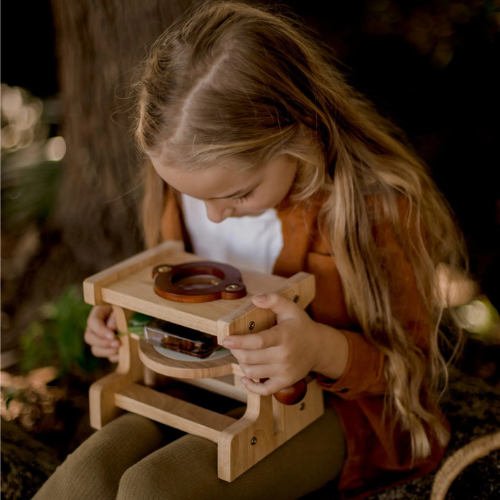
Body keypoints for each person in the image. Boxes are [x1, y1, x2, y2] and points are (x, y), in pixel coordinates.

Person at [33, 2, 468, 499]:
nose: (214, 216)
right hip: (204, 388)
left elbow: (409, 367)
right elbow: (182, 302)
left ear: (299, 133)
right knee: (89, 475)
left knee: (154, 488)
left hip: (331, 409)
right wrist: (135, 325)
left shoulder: (372, 211)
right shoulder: (183, 189)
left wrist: (317, 348)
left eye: (239, 195)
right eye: (198, 198)